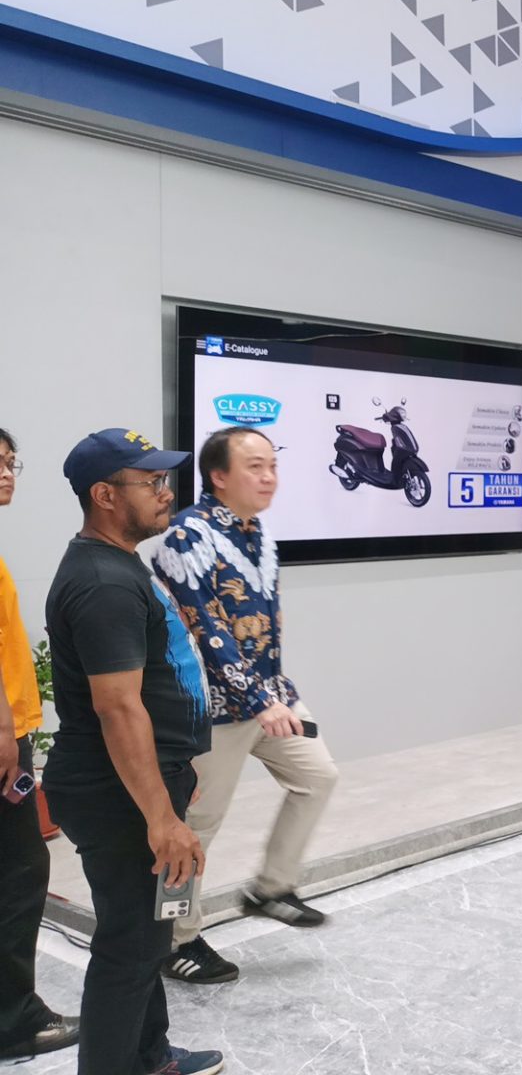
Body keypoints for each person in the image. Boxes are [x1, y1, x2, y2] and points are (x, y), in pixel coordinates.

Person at [43, 428, 224, 1075]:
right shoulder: (104, 582)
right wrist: (161, 816)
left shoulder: (118, 565)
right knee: (131, 944)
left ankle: (148, 1056)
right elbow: (117, 708)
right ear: (104, 495)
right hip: (115, 790)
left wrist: (175, 775)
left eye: (163, 479)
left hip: (136, 780)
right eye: (150, 482)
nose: (165, 492)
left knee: (145, 932)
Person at [155, 427, 337, 985]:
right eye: (255, 467)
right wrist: (260, 700)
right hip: (210, 707)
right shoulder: (187, 536)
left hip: (267, 696)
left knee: (318, 776)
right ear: (218, 476)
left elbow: (265, 627)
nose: (269, 477)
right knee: (196, 825)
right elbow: (206, 629)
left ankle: (272, 888)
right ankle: (173, 940)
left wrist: (274, 692)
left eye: (272, 466)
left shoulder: (258, 532)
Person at [0, 429, 80, 1063]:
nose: (6, 474)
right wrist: (6, 732)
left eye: (9, 463)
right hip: (3, 739)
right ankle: (14, 1022)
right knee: (20, 872)